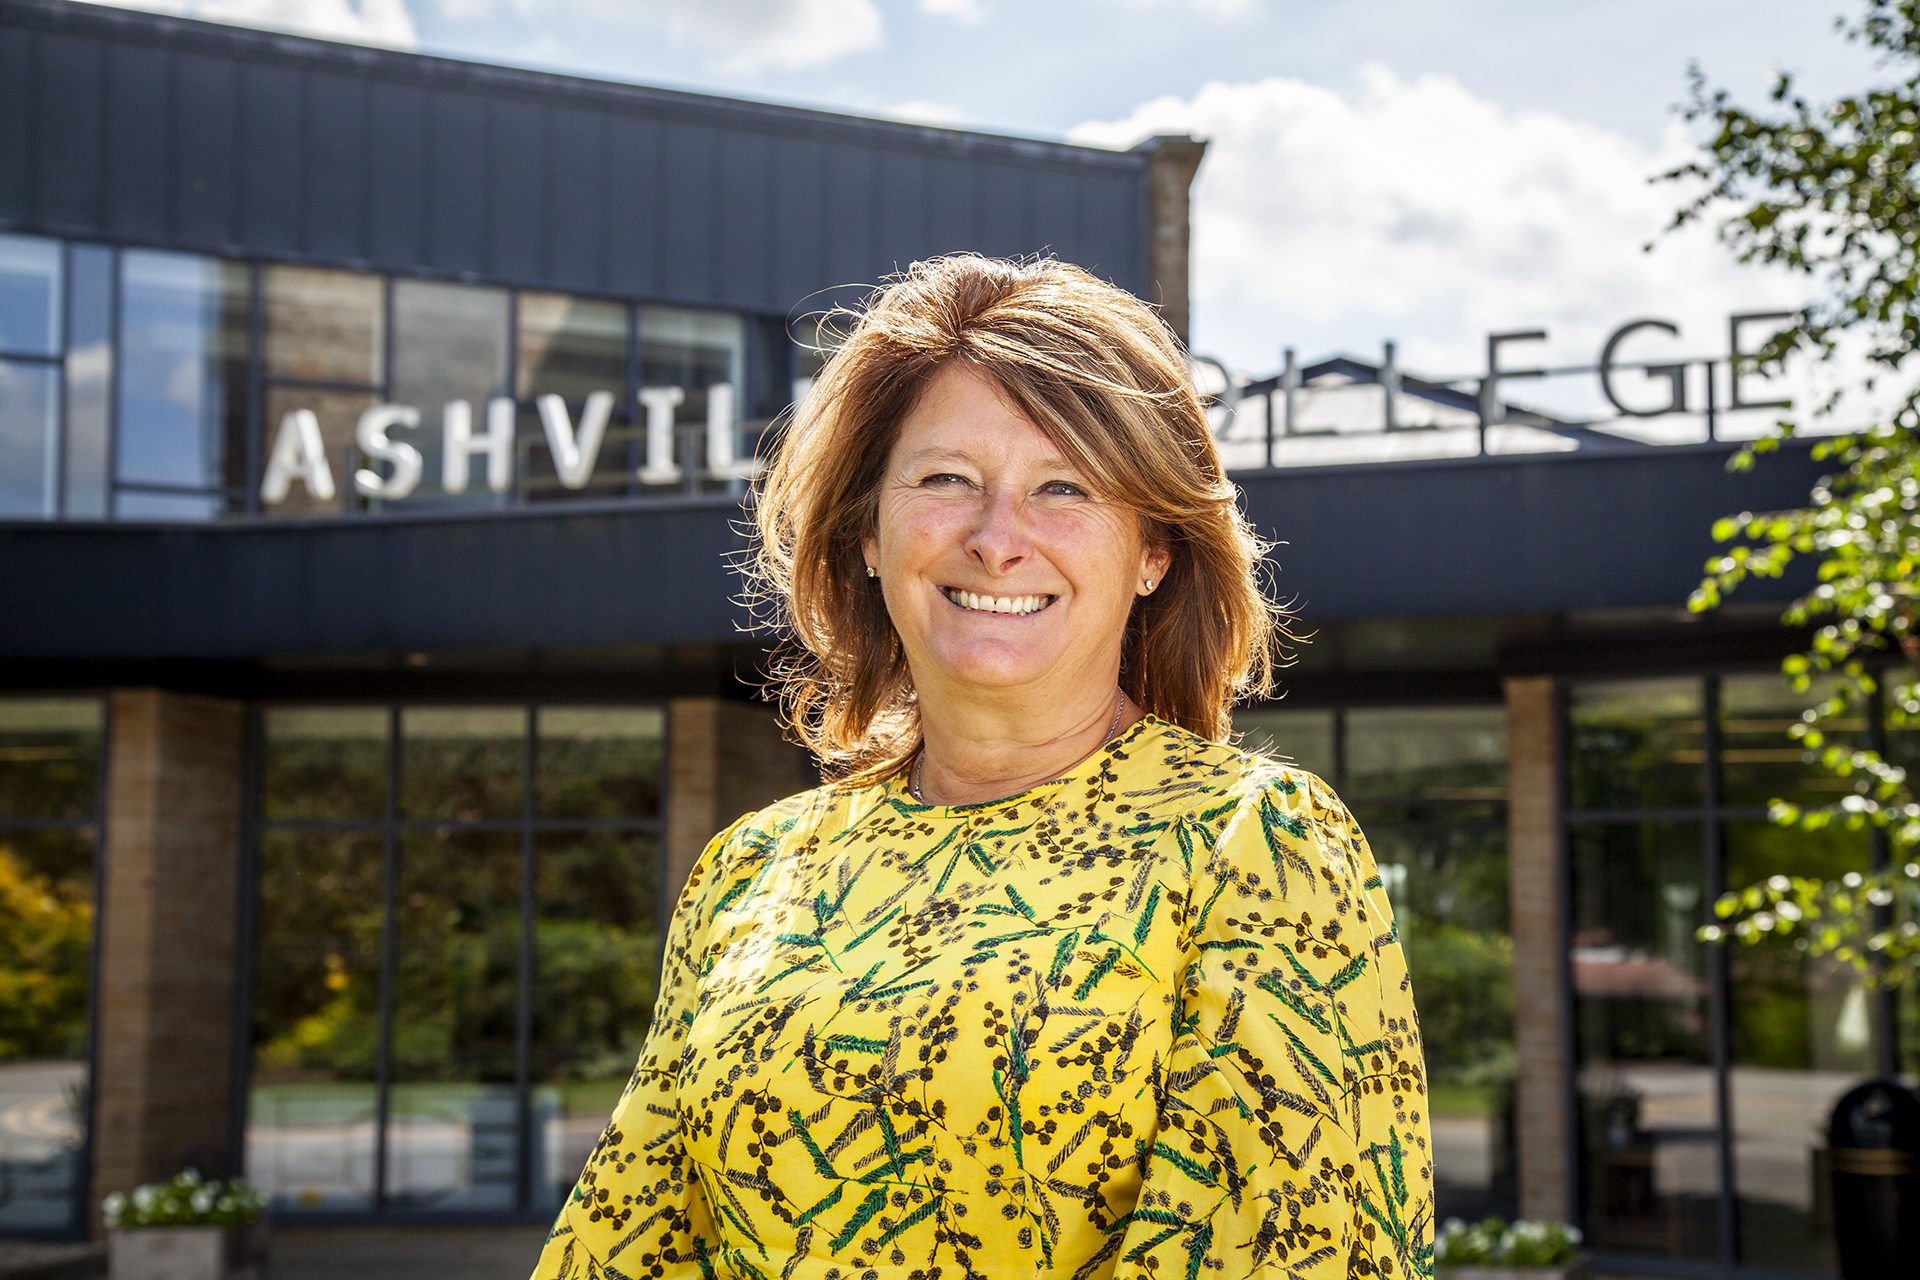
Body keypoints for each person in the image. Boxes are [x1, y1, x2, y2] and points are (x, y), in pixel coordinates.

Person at [529, 254, 1432, 1280]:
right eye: (947, 479)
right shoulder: (751, 870)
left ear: (1154, 551)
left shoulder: (1253, 845)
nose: (999, 541)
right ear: (869, 531)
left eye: (1064, 487)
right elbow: (626, 1239)